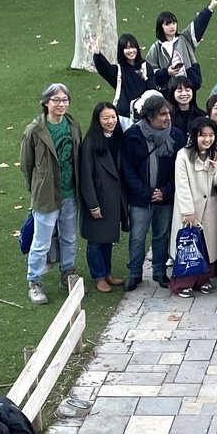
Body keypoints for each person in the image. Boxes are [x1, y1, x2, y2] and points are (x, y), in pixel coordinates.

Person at [20, 83, 83, 304]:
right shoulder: (34, 130)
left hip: (70, 193)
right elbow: (26, 166)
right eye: (56, 100)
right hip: (46, 195)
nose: (61, 104)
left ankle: (68, 273)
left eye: (65, 100)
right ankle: (34, 281)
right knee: (41, 241)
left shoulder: (73, 125)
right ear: (46, 102)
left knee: (69, 237)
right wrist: (35, 191)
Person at [123, 94, 184, 292]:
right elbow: (127, 168)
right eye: (162, 114)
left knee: (161, 235)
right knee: (137, 237)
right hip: (141, 199)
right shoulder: (132, 135)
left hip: (164, 198)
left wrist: (165, 192)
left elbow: (180, 170)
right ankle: (134, 273)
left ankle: (159, 272)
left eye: (168, 113)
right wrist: (146, 192)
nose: (167, 118)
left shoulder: (176, 136)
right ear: (149, 116)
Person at [169, 117, 217, 298]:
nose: (207, 139)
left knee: (207, 245)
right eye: (203, 136)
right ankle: (182, 284)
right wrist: (188, 211)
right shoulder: (183, 155)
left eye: (210, 135)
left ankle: (203, 280)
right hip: (189, 209)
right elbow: (182, 185)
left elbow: (216, 182)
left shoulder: (216, 153)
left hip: (209, 207)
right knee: (188, 246)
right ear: (195, 136)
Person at [78, 102, 127, 293]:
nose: (110, 121)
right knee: (96, 240)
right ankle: (99, 276)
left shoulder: (117, 138)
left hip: (114, 198)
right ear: (98, 120)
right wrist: (93, 205)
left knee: (107, 238)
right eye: (105, 118)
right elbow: (86, 177)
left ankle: (107, 273)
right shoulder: (90, 143)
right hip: (99, 198)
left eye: (113, 117)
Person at [91, 34, 166, 121]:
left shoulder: (145, 66)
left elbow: (151, 89)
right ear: (121, 50)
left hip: (143, 115)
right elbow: (105, 69)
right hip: (124, 116)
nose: (131, 51)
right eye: (127, 48)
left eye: (133, 47)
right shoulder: (118, 70)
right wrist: (97, 54)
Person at [146, 0, 217, 71]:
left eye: (174, 23)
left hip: (187, 83)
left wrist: (210, 8)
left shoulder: (185, 38)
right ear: (161, 27)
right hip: (169, 84)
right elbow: (149, 70)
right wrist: (166, 73)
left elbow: (199, 24)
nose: (172, 26)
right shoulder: (156, 48)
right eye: (168, 24)